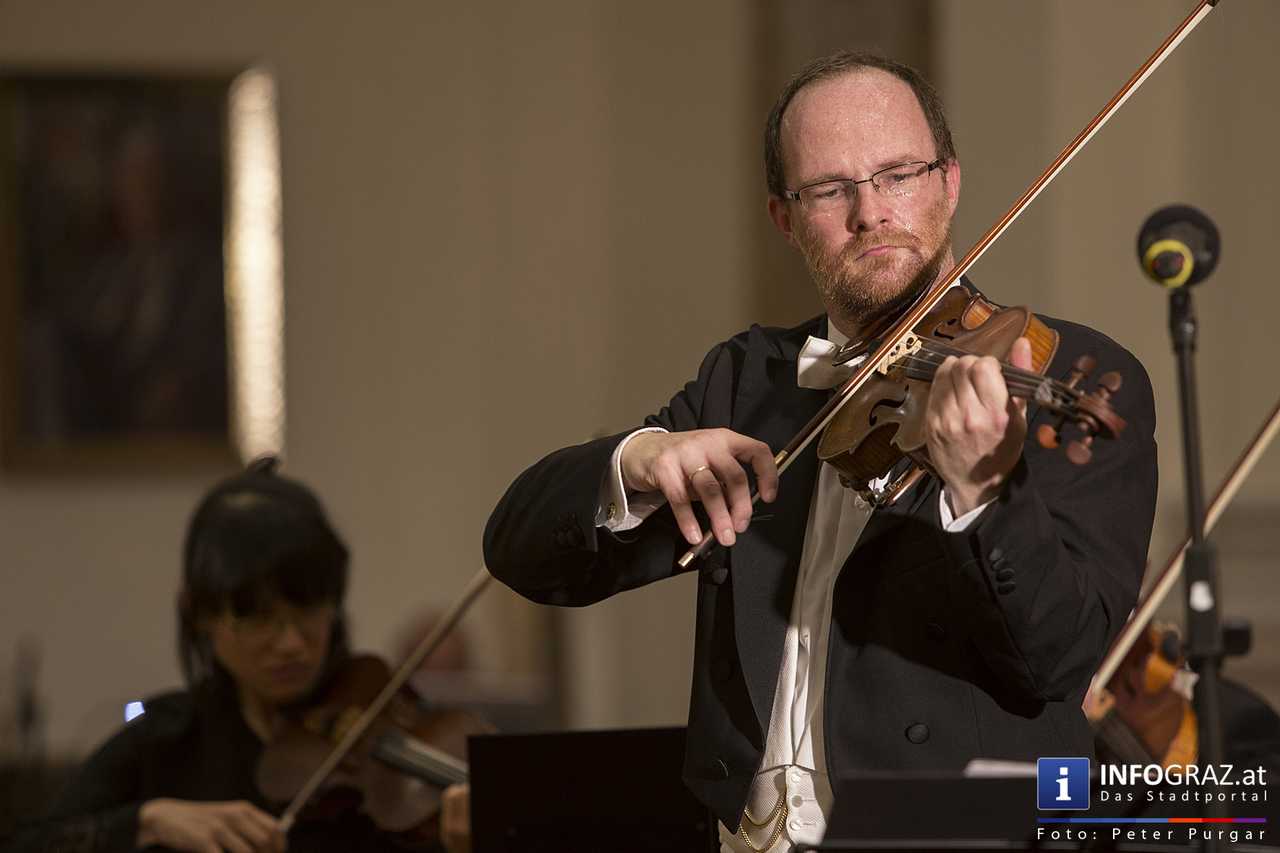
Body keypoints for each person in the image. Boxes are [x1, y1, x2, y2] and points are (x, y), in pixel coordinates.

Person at [483, 52, 1158, 852]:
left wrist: (985, 495)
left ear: (949, 181)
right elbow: (522, 552)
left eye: (898, 174)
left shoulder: (1057, 377)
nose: (871, 213)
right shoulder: (747, 380)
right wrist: (636, 461)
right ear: (786, 217)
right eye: (831, 189)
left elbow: (1059, 655)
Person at [9, 458, 452, 853]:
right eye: (259, 618)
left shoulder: (384, 719)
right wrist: (148, 821)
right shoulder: (165, 743)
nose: (291, 643)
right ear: (201, 614)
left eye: (310, 609)